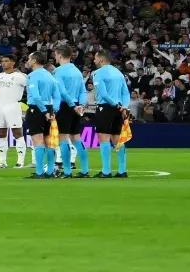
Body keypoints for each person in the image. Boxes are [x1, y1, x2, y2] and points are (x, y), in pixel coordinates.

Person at [90, 48, 132, 178]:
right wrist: (123, 106)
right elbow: (125, 92)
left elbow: (103, 94)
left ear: (101, 59)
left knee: (104, 138)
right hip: (119, 109)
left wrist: (116, 105)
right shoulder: (118, 72)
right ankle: (122, 170)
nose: (94, 60)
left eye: (96, 58)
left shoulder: (97, 73)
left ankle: (106, 171)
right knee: (118, 139)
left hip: (106, 107)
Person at [52, 47, 88, 177]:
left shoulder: (58, 71)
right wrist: (81, 105)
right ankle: (85, 170)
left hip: (65, 105)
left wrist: (72, 105)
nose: (55, 57)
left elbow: (62, 91)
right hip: (77, 106)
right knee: (76, 138)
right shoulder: (77, 71)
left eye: (55, 54)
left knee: (63, 138)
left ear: (60, 55)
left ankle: (67, 171)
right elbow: (83, 91)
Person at [24, 53, 60, 179]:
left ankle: (39, 172)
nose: (28, 61)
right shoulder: (50, 76)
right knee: (48, 141)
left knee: (38, 141)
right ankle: (49, 172)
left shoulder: (32, 76)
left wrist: (44, 111)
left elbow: (36, 96)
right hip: (50, 108)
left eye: (29, 59)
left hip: (37, 109)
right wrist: (53, 110)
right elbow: (57, 96)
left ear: (34, 61)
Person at [0, 55, 29, 168]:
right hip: (0, 106)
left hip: (13, 105)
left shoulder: (20, 76)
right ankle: (2, 161)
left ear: (13, 62)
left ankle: (20, 162)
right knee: (1, 133)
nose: (3, 63)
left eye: (6, 61)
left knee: (17, 133)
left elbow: (30, 87)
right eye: (2, 61)